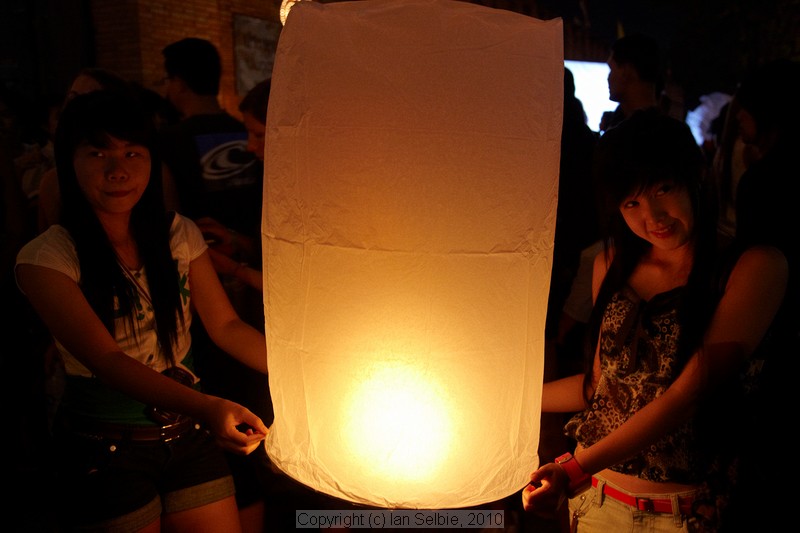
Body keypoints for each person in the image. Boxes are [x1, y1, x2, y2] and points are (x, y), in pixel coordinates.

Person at [15, 90, 269, 532]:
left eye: (133, 152)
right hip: (106, 445)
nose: (118, 170)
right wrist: (208, 407)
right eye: (98, 153)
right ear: (68, 162)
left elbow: (226, 325)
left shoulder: (177, 233)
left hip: (188, 436)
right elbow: (108, 361)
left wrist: (306, 375)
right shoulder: (46, 258)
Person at [522, 110, 787, 532]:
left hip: (686, 513)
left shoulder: (753, 266)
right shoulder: (610, 264)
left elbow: (689, 394)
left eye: (664, 189)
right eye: (632, 202)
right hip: (597, 501)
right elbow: (599, 388)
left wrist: (573, 468)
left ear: (696, 176)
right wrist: (505, 397)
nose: (655, 216)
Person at [157, 39, 269, 532]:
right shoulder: (234, 133)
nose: (250, 145)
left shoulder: (174, 143)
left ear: (176, 81)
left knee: (243, 425)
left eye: (258, 134)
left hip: (228, 310)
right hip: (244, 302)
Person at [723, 58, 800, 531]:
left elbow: (753, 263)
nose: (739, 123)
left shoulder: (764, 181)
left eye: (744, 112)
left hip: (779, 335)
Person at [603, 33, 662, 131]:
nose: (608, 78)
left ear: (626, 71)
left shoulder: (617, 139)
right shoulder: (679, 135)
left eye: (611, 69)